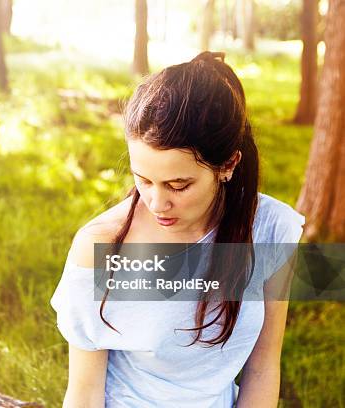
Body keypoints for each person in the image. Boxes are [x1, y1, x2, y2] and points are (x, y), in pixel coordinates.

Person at [49, 51, 305, 408]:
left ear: (228, 164)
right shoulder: (103, 245)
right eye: (144, 180)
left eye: (178, 185)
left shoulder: (271, 229)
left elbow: (262, 366)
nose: (156, 203)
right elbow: (84, 393)